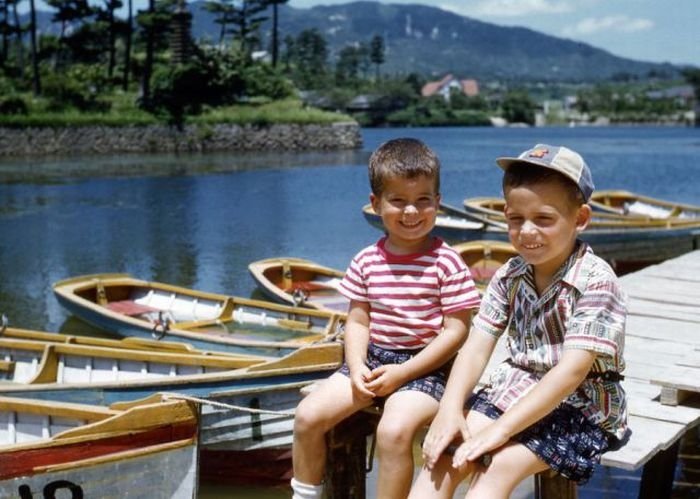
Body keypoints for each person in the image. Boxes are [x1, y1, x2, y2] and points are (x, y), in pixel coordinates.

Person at [410, 144, 628, 498]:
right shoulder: (511, 274)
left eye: (543, 219)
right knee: (445, 454)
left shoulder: (597, 280)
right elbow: (476, 346)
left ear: (580, 218)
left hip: (582, 403)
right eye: (515, 219)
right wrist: (449, 410)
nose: (526, 231)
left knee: (498, 466)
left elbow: (571, 372)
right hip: (514, 388)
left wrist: (501, 431)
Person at [291, 138, 482, 499]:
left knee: (393, 432)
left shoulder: (447, 261)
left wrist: (403, 373)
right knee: (307, 417)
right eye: (398, 201)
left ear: (438, 204)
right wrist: (357, 364)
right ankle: (304, 495)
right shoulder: (366, 260)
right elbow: (358, 321)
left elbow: (457, 331)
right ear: (376, 205)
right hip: (374, 359)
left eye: (423, 200)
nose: (412, 212)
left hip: (430, 367)